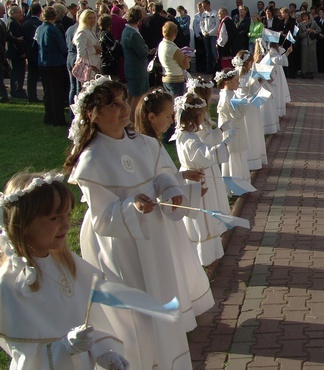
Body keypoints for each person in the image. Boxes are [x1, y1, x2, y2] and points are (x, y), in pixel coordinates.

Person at [63, 76, 197, 369]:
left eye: (123, 100)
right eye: (112, 104)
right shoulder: (91, 159)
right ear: (92, 114)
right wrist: (130, 207)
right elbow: (101, 216)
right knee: (135, 310)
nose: (123, 107)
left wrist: (170, 189)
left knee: (160, 292)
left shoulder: (143, 143)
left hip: (155, 233)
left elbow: (161, 173)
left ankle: (168, 356)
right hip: (121, 243)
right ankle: (143, 360)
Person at [0, 171, 129, 370]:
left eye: (68, 215)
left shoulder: (67, 265)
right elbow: (26, 355)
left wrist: (103, 351)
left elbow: (91, 321)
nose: (66, 224)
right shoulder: (12, 285)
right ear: (23, 224)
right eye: (55, 218)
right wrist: (65, 348)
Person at [133, 88, 216, 306]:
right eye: (168, 116)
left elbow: (161, 177)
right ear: (151, 117)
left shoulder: (153, 143)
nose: (172, 120)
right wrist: (184, 189)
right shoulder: (145, 145)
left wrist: (182, 177)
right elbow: (151, 183)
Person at [174, 87, 231, 276]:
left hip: (198, 175)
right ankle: (204, 256)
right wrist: (225, 143)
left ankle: (209, 252)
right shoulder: (189, 139)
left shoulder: (185, 135)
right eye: (200, 116)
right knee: (201, 220)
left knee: (205, 216)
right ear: (193, 118)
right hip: (196, 180)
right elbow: (204, 154)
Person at [34, 6, 69, 125]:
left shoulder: (39, 29)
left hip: (42, 62)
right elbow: (63, 48)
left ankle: (48, 116)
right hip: (55, 63)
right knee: (57, 92)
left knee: (47, 91)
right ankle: (58, 118)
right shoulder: (54, 30)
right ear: (54, 16)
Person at [216, 68, 250, 181]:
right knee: (233, 157)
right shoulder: (226, 96)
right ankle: (235, 184)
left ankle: (241, 181)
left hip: (237, 129)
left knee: (238, 155)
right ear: (227, 82)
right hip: (231, 131)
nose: (239, 83)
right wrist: (245, 104)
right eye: (236, 80)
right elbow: (235, 115)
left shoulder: (231, 94)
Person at [121, 6, 150, 121]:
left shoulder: (128, 31)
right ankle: (132, 120)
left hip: (132, 66)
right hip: (136, 67)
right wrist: (146, 48)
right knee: (137, 95)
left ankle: (127, 118)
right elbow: (143, 52)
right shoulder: (132, 33)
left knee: (132, 94)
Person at [158, 21, 191, 97]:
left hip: (166, 77)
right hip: (175, 79)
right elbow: (185, 66)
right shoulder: (174, 49)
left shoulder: (161, 44)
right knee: (177, 104)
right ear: (175, 34)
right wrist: (187, 60)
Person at [22, 3, 43, 103]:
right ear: (40, 12)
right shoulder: (41, 25)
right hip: (40, 54)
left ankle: (32, 96)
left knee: (31, 77)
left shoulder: (25, 24)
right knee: (42, 77)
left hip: (30, 53)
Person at [6, 5, 28, 100]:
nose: (21, 14)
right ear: (12, 13)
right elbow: (16, 40)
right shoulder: (13, 23)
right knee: (17, 73)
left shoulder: (11, 22)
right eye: (19, 12)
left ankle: (16, 90)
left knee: (16, 73)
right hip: (15, 54)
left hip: (12, 53)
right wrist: (21, 52)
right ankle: (16, 91)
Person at [73, 10, 102, 77]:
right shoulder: (82, 33)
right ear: (84, 19)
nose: (92, 20)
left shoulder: (91, 31)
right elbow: (81, 52)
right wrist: (95, 50)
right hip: (87, 67)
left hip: (95, 65)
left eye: (94, 18)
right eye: (89, 18)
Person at [297, 11, 320, 79]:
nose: (304, 18)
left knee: (312, 57)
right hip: (304, 42)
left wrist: (312, 31)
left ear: (308, 16)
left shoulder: (313, 22)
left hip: (312, 41)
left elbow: (319, 29)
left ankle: (311, 71)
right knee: (304, 57)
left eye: (306, 16)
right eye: (303, 16)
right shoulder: (300, 24)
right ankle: (304, 71)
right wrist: (306, 32)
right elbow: (299, 34)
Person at [200, 0, 218, 75]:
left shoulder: (215, 13)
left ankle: (215, 68)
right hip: (205, 36)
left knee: (214, 53)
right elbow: (201, 24)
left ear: (208, 5)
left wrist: (210, 33)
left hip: (213, 35)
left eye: (204, 5)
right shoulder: (203, 14)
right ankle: (209, 69)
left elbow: (217, 25)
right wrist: (204, 32)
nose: (203, 7)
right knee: (208, 53)